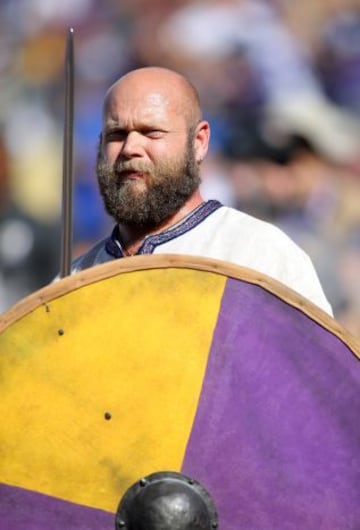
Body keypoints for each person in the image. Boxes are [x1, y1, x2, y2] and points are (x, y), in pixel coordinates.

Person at [72, 66, 333, 315]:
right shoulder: (73, 282)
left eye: (151, 132)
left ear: (199, 142)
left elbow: (315, 359)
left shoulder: (261, 255)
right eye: (117, 134)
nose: (130, 148)